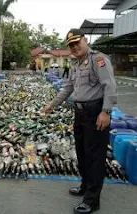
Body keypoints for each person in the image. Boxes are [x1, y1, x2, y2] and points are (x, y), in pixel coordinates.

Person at [42, 29, 117, 214]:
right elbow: (68, 87)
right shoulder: (75, 63)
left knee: (95, 157)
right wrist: (52, 104)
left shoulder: (98, 59)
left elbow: (110, 86)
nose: (74, 47)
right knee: (82, 153)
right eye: (71, 45)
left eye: (77, 42)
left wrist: (106, 111)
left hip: (96, 113)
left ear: (85, 40)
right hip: (80, 114)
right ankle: (85, 185)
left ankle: (92, 201)